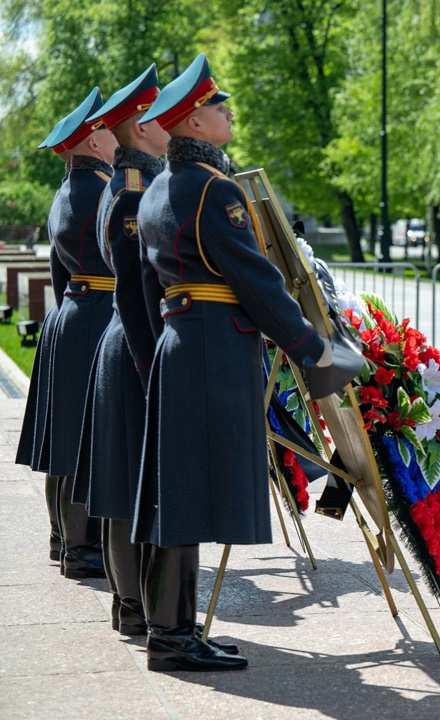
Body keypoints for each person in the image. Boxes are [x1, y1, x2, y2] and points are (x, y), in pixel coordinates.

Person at [133, 52, 347, 672]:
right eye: (217, 107)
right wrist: (313, 351)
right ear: (193, 124)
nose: (227, 113)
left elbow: (149, 295)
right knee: (189, 495)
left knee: (175, 494)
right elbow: (256, 279)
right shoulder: (213, 189)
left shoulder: (157, 192)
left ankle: (170, 629)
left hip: (181, 346)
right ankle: (172, 639)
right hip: (214, 351)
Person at [72, 64, 170, 638]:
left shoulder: (131, 184)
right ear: (139, 128)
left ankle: (131, 607)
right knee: (135, 484)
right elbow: (135, 288)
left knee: (125, 480)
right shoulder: (133, 192)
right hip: (134, 340)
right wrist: (149, 363)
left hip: (123, 336)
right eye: (155, 116)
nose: (165, 124)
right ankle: (136, 607)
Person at [16, 87, 118, 579]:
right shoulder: (103, 191)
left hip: (75, 308)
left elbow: (60, 271)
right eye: (106, 129)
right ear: (92, 143)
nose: (115, 134)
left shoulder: (68, 191)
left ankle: (65, 538)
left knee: (67, 435)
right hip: (97, 311)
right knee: (84, 436)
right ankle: (82, 548)